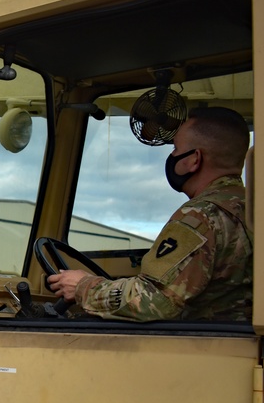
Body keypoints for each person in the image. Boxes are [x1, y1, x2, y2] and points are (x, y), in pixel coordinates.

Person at [47, 106, 252, 321]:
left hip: (203, 347)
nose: (172, 156)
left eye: (175, 149)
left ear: (194, 160)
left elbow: (153, 301)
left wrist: (82, 287)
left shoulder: (201, 216)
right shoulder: (250, 208)